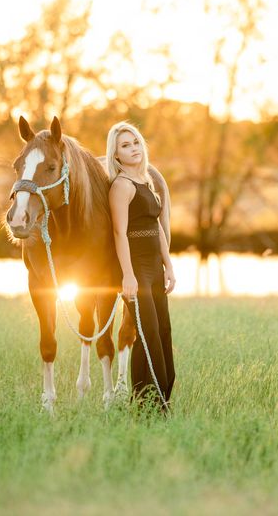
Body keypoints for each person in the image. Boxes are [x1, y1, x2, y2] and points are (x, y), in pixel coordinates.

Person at [106, 121, 176, 412]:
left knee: (162, 332)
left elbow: (157, 227)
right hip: (136, 270)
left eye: (135, 142)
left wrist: (169, 265)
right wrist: (129, 276)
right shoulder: (121, 186)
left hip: (155, 270)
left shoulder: (146, 181)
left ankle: (163, 396)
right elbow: (119, 233)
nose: (133, 148)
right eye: (125, 145)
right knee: (146, 336)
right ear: (116, 154)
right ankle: (149, 405)